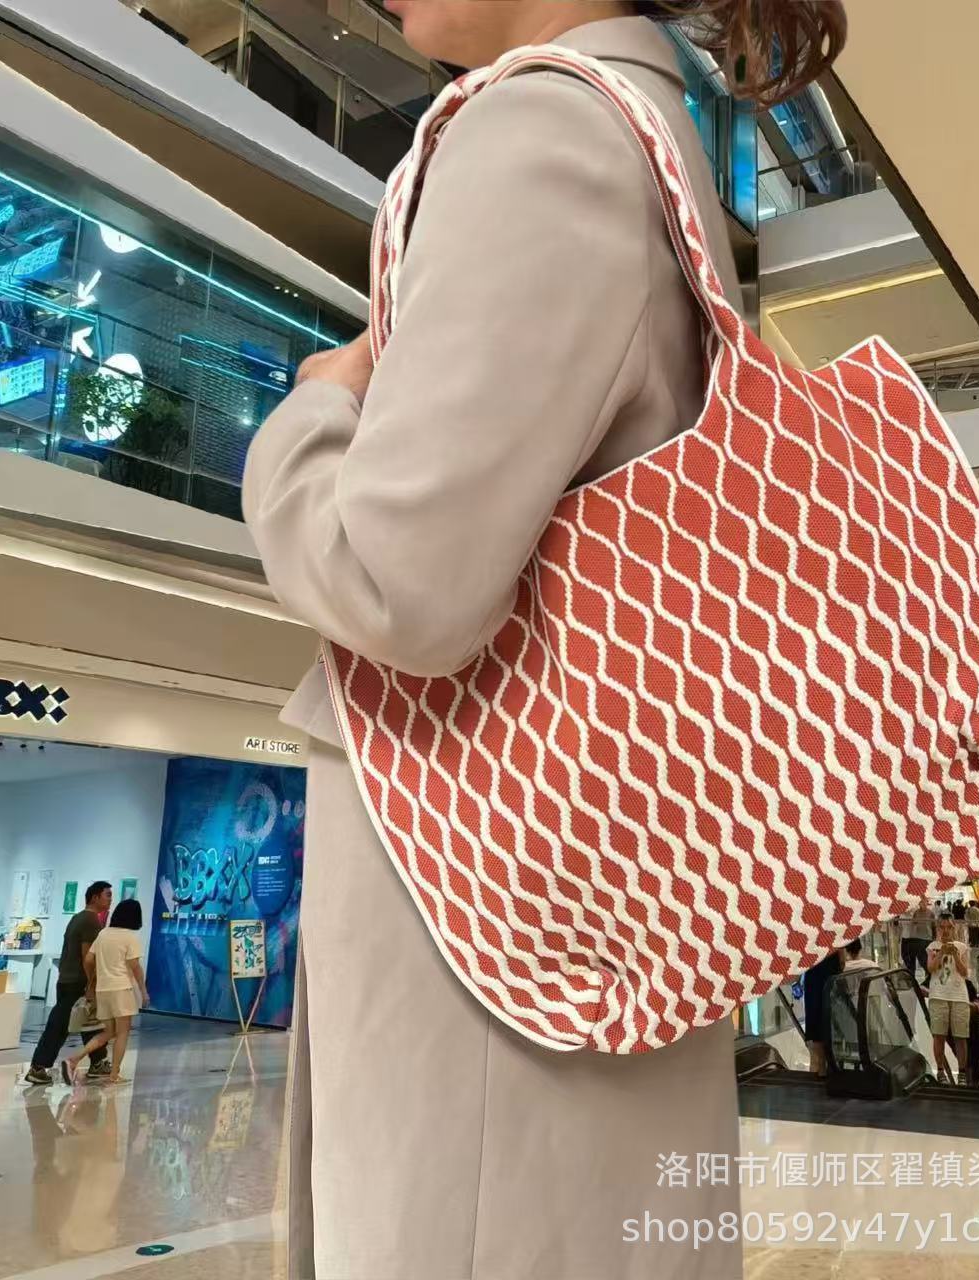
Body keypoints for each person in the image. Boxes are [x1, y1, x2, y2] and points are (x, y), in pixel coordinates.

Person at [241, 4, 848, 1277]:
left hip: (481, 906)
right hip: (561, 887)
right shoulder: (630, 131)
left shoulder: (541, 134)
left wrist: (311, 414)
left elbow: (398, 585)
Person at [25, 882, 112, 1087]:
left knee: (90, 1022)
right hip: (78, 982)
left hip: (67, 979)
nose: (110, 899)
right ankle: (38, 1067)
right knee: (60, 1025)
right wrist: (91, 984)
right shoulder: (90, 920)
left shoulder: (78, 917)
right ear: (95, 897)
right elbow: (88, 957)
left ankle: (98, 1062)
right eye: (107, 895)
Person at [62, 899, 148, 1086]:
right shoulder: (130, 937)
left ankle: (74, 1059)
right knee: (122, 1033)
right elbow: (135, 966)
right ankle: (114, 1074)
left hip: (103, 989)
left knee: (109, 1032)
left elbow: (88, 959)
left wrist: (93, 979)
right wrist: (143, 991)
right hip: (121, 989)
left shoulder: (103, 934)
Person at [926, 913, 971, 1084]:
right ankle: (940, 1070)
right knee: (939, 1035)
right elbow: (931, 968)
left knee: (961, 1036)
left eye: (949, 927)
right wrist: (941, 953)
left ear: (954, 928)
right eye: (942, 927)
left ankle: (962, 1072)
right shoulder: (932, 947)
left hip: (959, 996)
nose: (945, 931)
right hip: (938, 995)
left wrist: (955, 955)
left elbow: (965, 972)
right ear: (937, 928)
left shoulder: (962, 947)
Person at [802, 947, 844, 1076]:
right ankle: (827, 1075)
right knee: (828, 1044)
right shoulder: (834, 941)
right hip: (830, 976)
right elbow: (842, 961)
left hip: (813, 974)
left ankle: (817, 1077)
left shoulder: (810, 945)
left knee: (816, 1053)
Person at [900, 903, 935, 983]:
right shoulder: (903, 913)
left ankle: (927, 979)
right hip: (906, 938)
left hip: (918, 939)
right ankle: (912, 980)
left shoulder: (916, 911)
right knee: (908, 960)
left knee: (922, 960)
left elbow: (932, 926)